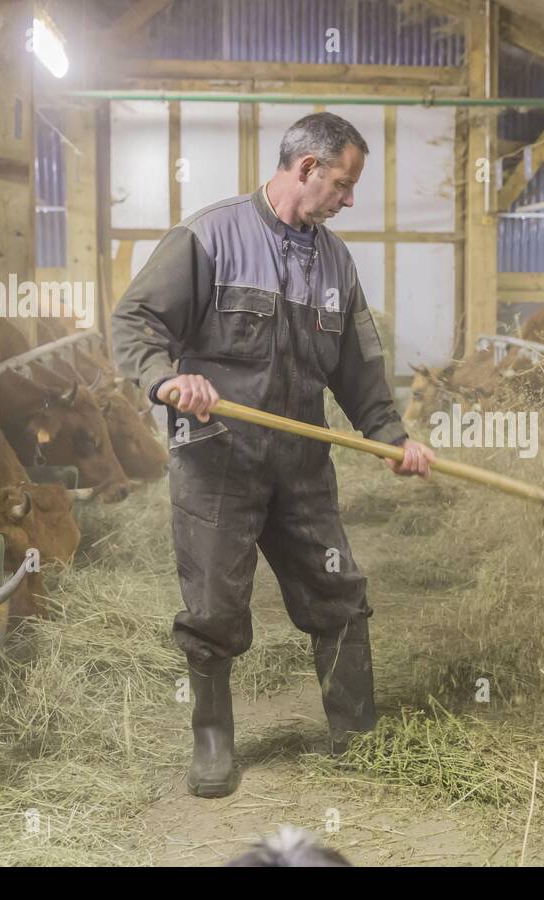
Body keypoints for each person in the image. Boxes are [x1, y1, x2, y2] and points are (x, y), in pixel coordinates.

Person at [112, 111, 436, 797]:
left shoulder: (334, 261)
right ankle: (212, 746)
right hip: (217, 462)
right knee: (214, 607)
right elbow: (136, 321)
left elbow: (357, 367)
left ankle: (358, 733)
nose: (349, 200)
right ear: (308, 168)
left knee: (339, 592)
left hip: (302, 465)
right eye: (344, 185)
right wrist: (169, 379)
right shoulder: (211, 236)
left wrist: (392, 438)